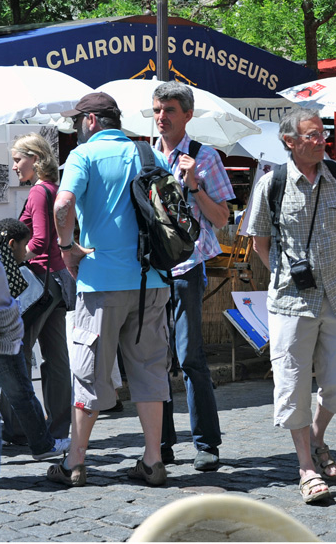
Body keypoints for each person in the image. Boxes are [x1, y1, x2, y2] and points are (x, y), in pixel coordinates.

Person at [49, 92, 173, 488]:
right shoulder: (150, 154)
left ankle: (75, 463)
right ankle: (153, 461)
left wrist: (68, 249)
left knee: (90, 374)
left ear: (90, 121)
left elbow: (62, 205)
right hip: (150, 281)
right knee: (151, 370)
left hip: (100, 281)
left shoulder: (83, 157)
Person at [246, 108, 336, 503]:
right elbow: (259, 242)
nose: (321, 141)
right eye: (312, 136)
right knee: (293, 385)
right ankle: (306, 468)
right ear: (289, 142)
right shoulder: (271, 184)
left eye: (322, 135)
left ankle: (317, 437)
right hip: (292, 302)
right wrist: (287, 274)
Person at [152, 81, 235, 471]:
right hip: (151, 271)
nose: (162, 117)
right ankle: (162, 443)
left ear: (187, 114)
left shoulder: (205, 157)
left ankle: (206, 444)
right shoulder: (144, 156)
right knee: (155, 359)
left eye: (169, 110)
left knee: (189, 356)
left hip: (187, 267)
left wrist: (195, 187)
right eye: (157, 110)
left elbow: (222, 219)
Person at [3, 133, 73, 445]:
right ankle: (58, 430)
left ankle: (19, 427)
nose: (15, 166)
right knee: (56, 358)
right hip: (56, 282)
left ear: (35, 158)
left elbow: (41, 240)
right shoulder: (53, 189)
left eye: (19, 159)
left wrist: (13, 259)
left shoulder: (38, 192)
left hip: (40, 285)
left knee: (16, 353)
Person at [0, 220, 70, 463]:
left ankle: (38, 441)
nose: (26, 253)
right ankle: (40, 442)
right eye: (23, 246)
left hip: (0, 339)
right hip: (3, 342)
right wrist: (14, 336)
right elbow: (3, 311)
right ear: (13, 244)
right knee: (21, 391)